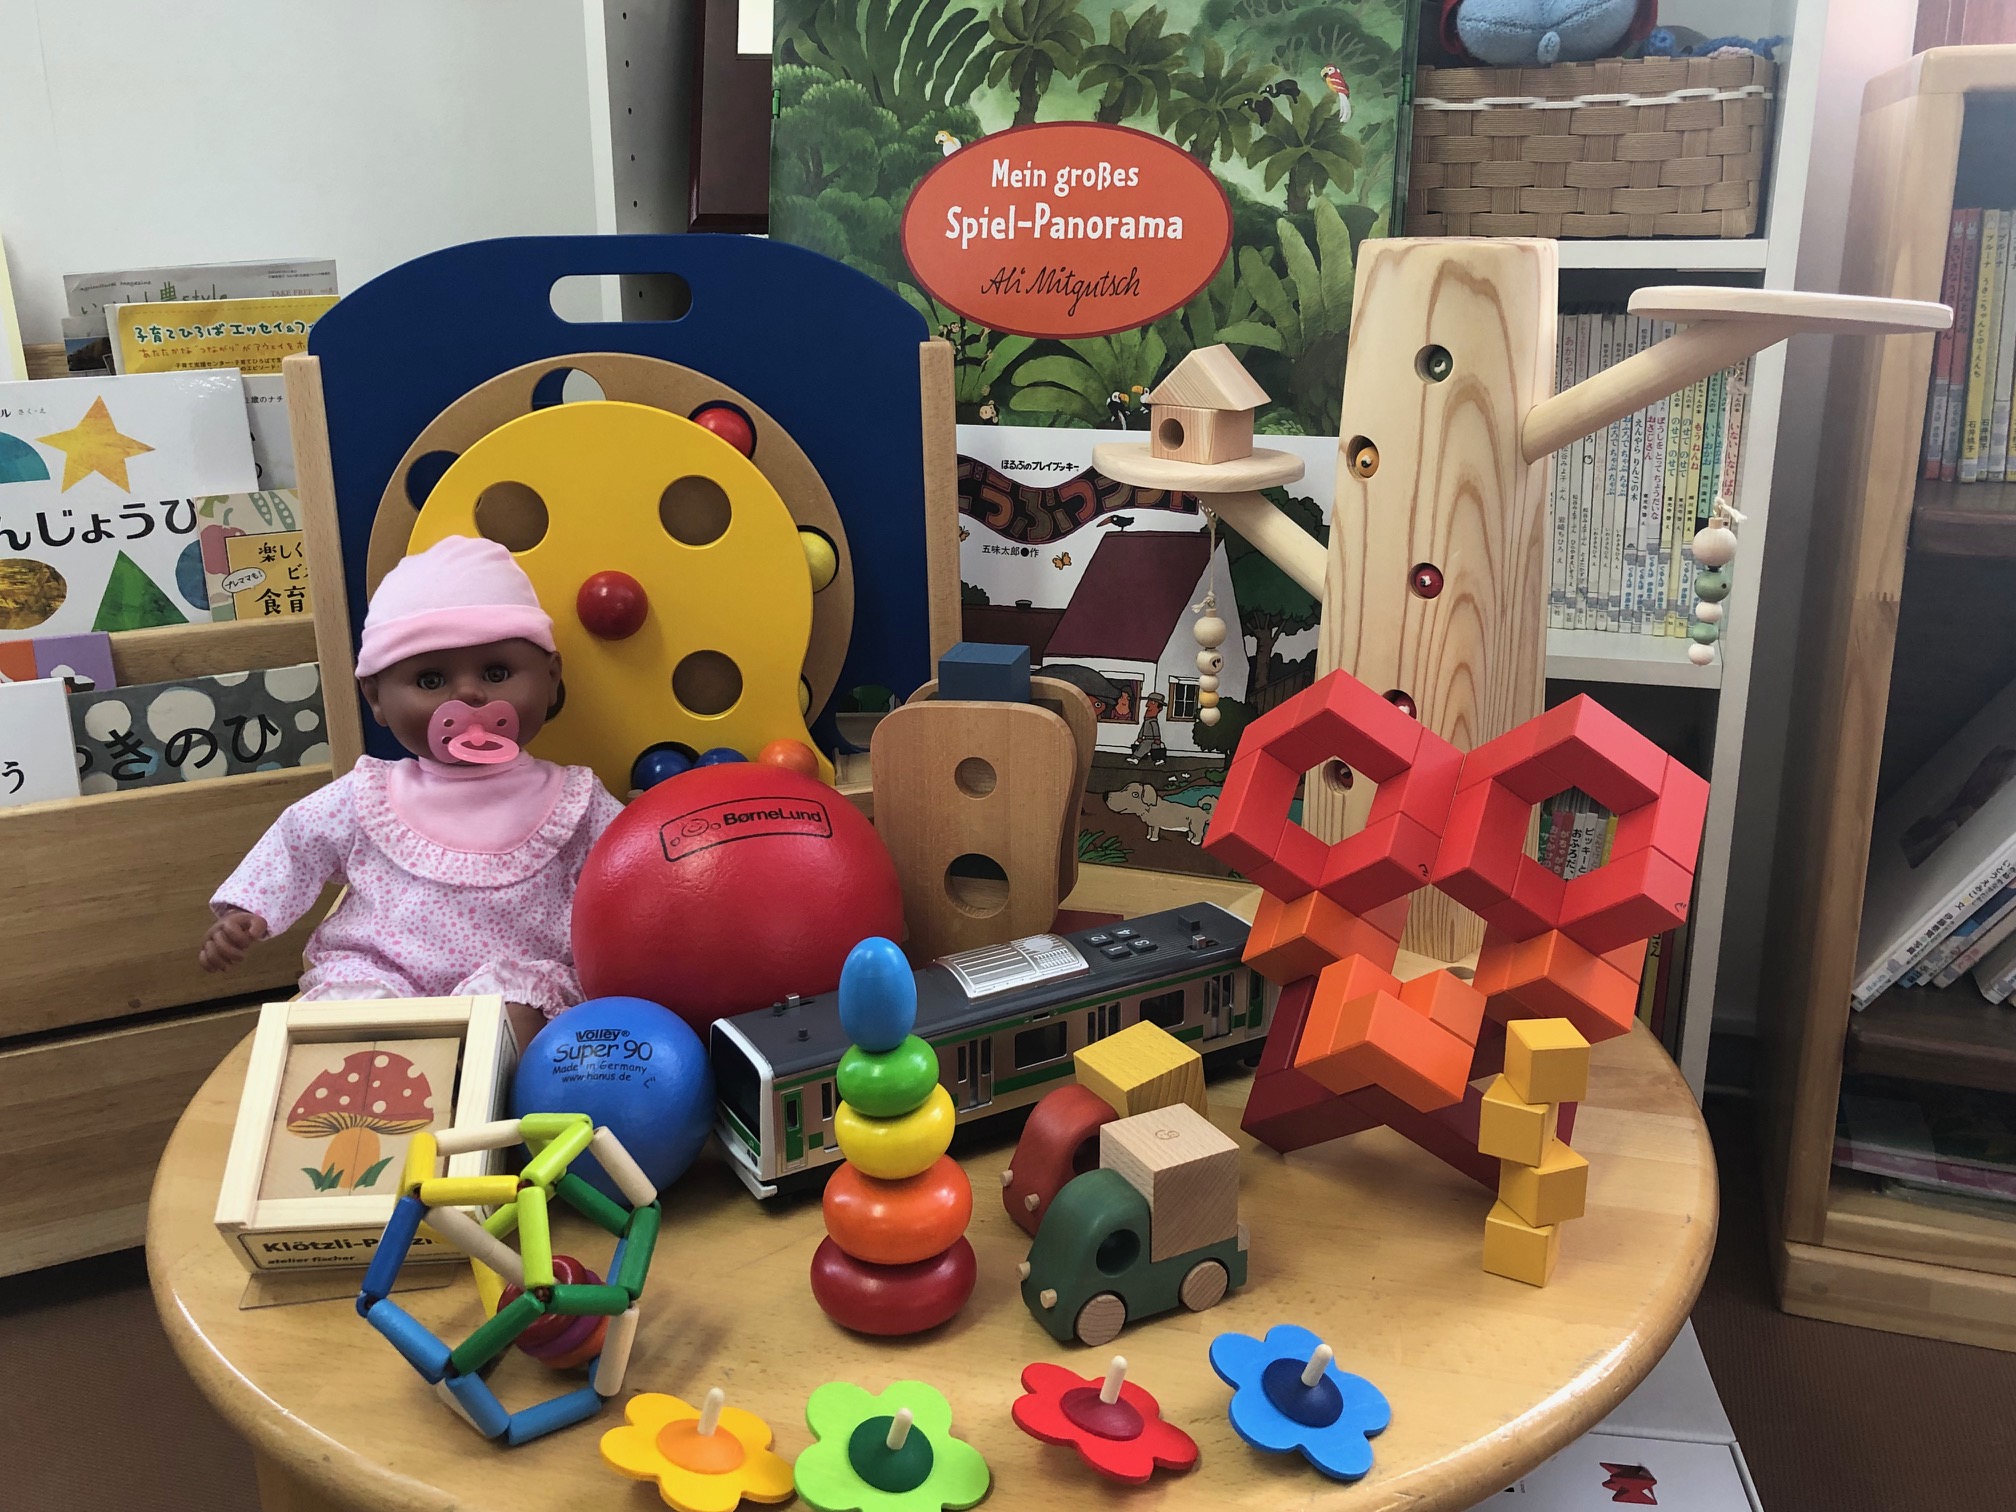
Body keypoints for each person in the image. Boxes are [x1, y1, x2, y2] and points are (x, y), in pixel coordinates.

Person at [199, 536, 624, 1048]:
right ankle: (379, 1072)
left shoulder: (575, 801)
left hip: (513, 980)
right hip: (381, 974)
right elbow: (296, 842)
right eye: (430, 680)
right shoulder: (368, 796)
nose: (469, 694)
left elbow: (633, 871)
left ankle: (476, 1082)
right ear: (376, 698)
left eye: (496, 673)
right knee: (349, 1011)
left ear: (551, 679)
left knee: (516, 1016)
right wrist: (249, 911)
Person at [1128, 693, 1168, 766]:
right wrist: (1140, 737)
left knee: (1147, 747)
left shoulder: (1153, 721)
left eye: (1151, 702)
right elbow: (1142, 729)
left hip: (1151, 739)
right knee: (1146, 746)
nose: (1147, 705)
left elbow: (1156, 730)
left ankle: (1136, 758)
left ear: (1159, 708)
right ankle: (1137, 758)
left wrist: (1157, 738)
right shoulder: (1147, 721)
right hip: (1147, 738)